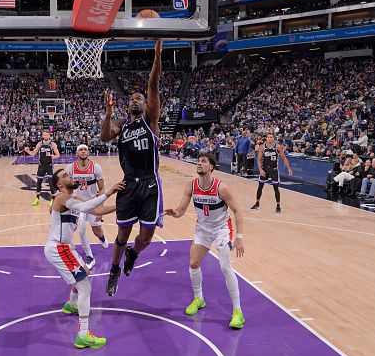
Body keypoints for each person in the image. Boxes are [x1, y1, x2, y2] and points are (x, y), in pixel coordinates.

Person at [100, 41, 163, 297]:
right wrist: (107, 112)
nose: (137, 100)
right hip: (129, 183)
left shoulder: (152, 120)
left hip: (150, 183)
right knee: (122, 233)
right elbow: (105, 137)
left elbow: (153, 86)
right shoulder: (121, 124)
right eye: (133, 98)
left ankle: (133, 254)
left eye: (140, 98)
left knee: (146, 237)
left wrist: (157, 56)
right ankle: (114, 270)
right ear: (128, 105)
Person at [164, 152, 245, 329]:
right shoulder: (191, 186)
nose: (199, 163)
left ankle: (238, 311)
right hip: (203, 229)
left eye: (204, 161)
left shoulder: (221, 187)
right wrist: (174, 213)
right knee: (193, 263)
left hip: (222, 229)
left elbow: (238, 211)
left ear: (211, 167)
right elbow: (181, 210)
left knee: (225, 266)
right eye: (199, 161)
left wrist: (239, 238)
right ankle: (199, 298)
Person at [45, 168, 123, 348]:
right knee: (85, 288)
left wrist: (121, 206)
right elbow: (85, 207)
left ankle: (70, 305)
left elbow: (96, 210)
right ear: (59, 184)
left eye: (69, 174)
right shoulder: (61, 198)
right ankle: (83, 335)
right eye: (65, 176)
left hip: (66, 248)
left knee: (84, 272)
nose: (70, 176)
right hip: (59, 248)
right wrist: (109, 192)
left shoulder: (72, 199)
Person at [66, 145, 108, 269]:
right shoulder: (70, 168)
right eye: (81, 150)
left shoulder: (95, 167)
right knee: (79, 229)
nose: (83, 151)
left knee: (97, 231)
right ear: (77, 152)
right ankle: (90, 257)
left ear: (88, 152)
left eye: (85, 149)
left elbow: (102, 189)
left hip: (92, 203)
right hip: (78, 205)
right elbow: (66, 187)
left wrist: (100, 208)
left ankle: (101, 237)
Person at [250, 133, 292, 214]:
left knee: (275, 188)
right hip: (265, 169)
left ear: (274, 138)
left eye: (271, 137)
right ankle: (257, 203)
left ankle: (278, 206)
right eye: (268, 137)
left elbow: (283, 158)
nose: (269, 138)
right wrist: (260, 170)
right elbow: (259, 159)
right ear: (266, 138)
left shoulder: (278, 147)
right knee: (260, 186)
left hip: (274, 170)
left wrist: (289, 168)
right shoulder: (262, 147)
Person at [24, 130, 60, 207]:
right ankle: (37, 199)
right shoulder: (40, 144)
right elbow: (33, 154)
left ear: (49, 136)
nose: (46, 136)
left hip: (49, 165)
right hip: (41, 165)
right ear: (42, 136)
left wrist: (54, 156)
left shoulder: (53, 144)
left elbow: (58, 155)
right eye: (44, 135)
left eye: (47, 135)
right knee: (39, 182)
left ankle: (52, 199)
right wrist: (27, 151)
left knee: (51, 183)